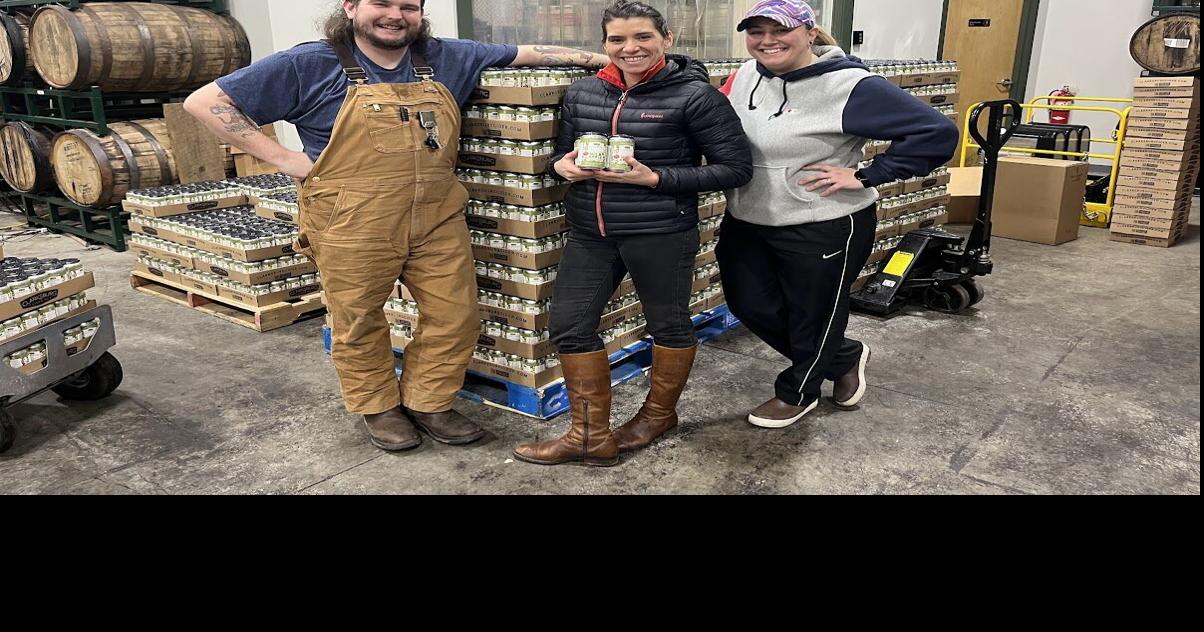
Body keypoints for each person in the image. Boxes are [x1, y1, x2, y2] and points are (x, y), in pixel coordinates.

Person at [185, 0, 606, 451]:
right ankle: (379, 407)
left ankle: (429, 401)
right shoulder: (308, 63)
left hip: (437, 215)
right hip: (351, 218)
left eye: (408, 6)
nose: (395, 15)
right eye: (381, 3)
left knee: (456, 315)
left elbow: (531, 53)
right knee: (358, 319)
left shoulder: (446, 57)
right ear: (350, 7)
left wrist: (609, 59)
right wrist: (286, 159)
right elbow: (206, 101)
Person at [512, 0, 752, 467]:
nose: (630, 47)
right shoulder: (583, 93)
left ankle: (659, 415)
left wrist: (656, 179)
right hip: (590, 232)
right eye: (617, 39)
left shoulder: (697, 96)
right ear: (604, 45)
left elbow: (735, 169)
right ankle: (589, 436)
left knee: (668, 324)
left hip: (660, 232)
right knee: (569, 326)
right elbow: (563, 154)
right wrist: (560, 167)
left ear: (667, 39)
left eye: (642, 36)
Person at [717, 0, 958, 428]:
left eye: (780, 30)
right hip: (749, 218)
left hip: (823, 222)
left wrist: (869, 174)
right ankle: (844, 355)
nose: (767, 41)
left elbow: (936, 132)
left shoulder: (850, 86)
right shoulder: (745, 75)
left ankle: (798, 392)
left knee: (814, 314)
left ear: (810, 32)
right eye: (756, 32)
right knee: (748, 303)